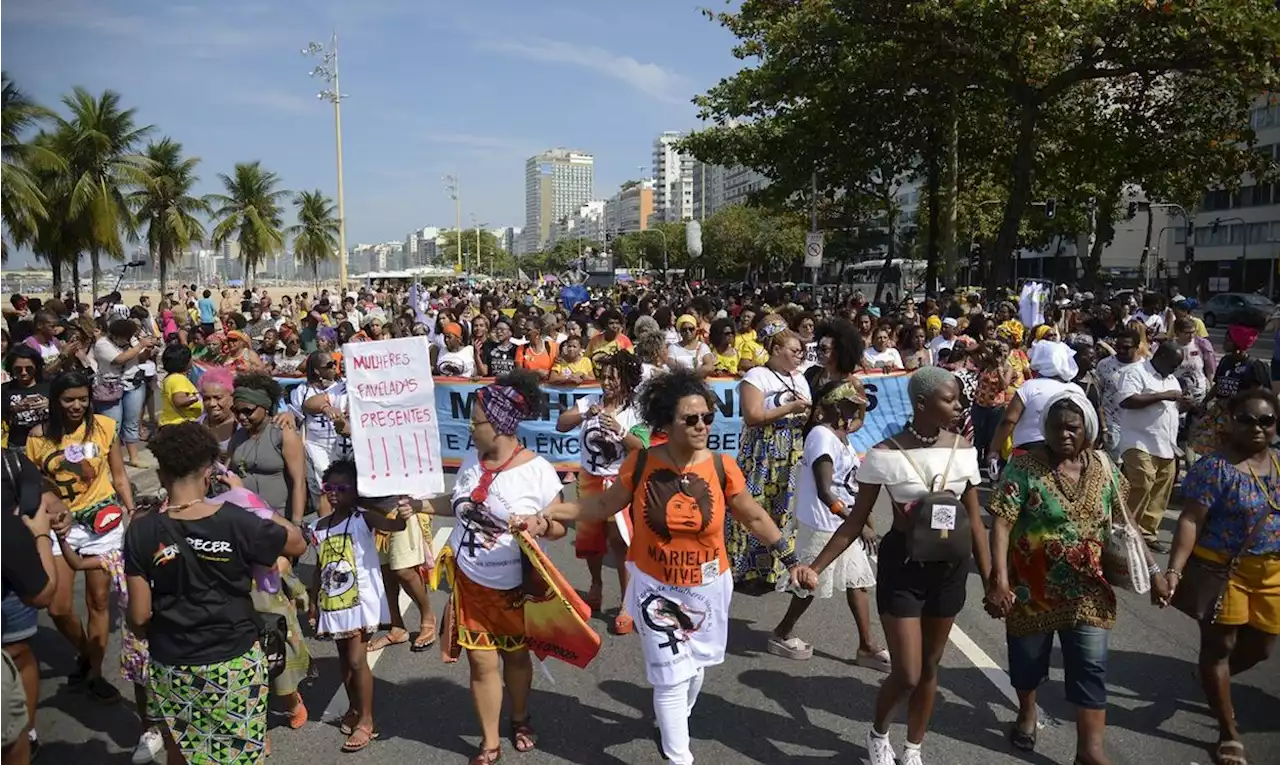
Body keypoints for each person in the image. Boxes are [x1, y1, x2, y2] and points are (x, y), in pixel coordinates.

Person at [534, 369, 798, 765]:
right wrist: (552, 511)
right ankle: (679, 756)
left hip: (708, 587)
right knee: (671, 677)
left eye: (707, 417)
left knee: (695, 669)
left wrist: (792, 559)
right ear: (666, 423)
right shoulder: (641, 464)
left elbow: (754, 517)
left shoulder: (723, 468)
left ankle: (674, 720)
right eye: (690, 419)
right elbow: (602, 506)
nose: (701, 426)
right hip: (655, 588)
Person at [791, 366, 993, 765]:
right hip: (902, 568)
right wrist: (815, 566)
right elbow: (853, 521)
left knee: (931, 667)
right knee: (907, 673)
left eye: (958, 399)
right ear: (922, 403)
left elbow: (975, 523)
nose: (958, 406)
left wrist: (992, 582)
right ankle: (878, 734)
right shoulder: (883, 455)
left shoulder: (966, 451)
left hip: (950, 570)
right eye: (949, 399)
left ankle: (913, 748)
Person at [988, 391, 1166, 765]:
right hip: (1031, 588)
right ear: (1044, 429)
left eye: (1072, 428)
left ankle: (1089, 750)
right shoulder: (1023, 467)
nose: (1064, 434)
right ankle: (1027, 711)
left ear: (1088, 429)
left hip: (1089, 589)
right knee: (1027, 663)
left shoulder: (1104, 468)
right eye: (1055, 427)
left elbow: (1126, 523)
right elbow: (1002, 524)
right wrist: (999, 580)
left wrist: (1154, 571)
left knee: (1091, 666)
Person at [123, 422, 306, 764]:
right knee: (238, 755)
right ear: (209, 472)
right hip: (232, 660)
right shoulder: (236, 519)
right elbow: (296, 540)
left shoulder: (140, 529)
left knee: (182, 750)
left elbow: (138, 616)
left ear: (161, 473)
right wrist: (250, 499)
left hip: (172, 662)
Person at [416, 371, 564, 764]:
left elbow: (562, 526)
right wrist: (421, 505)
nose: (470, 427)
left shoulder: (538, 472)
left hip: (514, 588)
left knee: (515, 657)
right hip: (470, 583)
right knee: (481, 663)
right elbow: (460, 502)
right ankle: (490, 741)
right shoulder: (470, 460)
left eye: (476, 421)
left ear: (499, 426)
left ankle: (519, 717)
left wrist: (540, 524)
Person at [1161, 389, 1280, 765]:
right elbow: (1191, 520)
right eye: (1246, 419)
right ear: (1230, 421)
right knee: (1220, 648)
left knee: (1261, 648)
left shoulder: (1279, 463)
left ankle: (1212, 676)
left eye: (1266, 421)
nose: (1257, 428)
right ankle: (1228, 733)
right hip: (1222, 570)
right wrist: (1174, 570)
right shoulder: (1214, 468)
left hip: (1272, 571)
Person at [27, 370, 134, 704]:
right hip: (60, 527)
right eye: (68, 400)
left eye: (82, 399)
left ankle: (95, 674)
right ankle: (87, 652)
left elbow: (119, 475)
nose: (76, 406)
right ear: (55, 401)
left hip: (103, 525)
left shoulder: (104, 427)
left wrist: (131, 511)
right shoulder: (37, 437)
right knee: (58, 607)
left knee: (99, 602)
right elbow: (34, 485)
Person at [770, 380, 888, 670]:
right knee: (810, 582)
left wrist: (860, 520)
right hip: (825, 523)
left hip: (842, 523)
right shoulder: (822, 436)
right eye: (850, 402)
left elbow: (850, 484)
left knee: (857, 582)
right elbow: (826, 491)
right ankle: (781, 632)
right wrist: (858, 524)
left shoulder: (841, 436)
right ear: (836, 407)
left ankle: (867, 646)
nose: (857, 407)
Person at [308, 459, 408, 752]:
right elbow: (318, 568)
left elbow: (395, 525)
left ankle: (366, 720)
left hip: (360, 601)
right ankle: (353, 707)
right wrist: (314, 604)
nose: (335, 493)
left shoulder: (363, 518)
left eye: (343, 487)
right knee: (344, 662)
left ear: (356, 490)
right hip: (333, 602)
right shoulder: (319, 527)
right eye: (330, 487)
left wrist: (403, 513)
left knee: (356, 660)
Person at [555, 351, 649, 634]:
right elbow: (561, 424)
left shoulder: (636, 410)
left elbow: (643, 448)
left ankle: (626, 603)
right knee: (590, 542)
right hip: (589, 480)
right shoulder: (590, 402)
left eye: (613, 377)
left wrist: (620, 430)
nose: (606, 382)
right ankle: (595, 585)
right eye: (604, 376)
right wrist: (585, 413)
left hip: (619, 483)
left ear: (627, 381)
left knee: (619, 542)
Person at [728, 322, 811, 588]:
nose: (800, 355)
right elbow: (753, 416)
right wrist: (788, 408)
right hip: (762, 450)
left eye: (801, 351)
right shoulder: (757, 376)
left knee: (782, 507)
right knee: (753, 505)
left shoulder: (798, 377)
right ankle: (743, 568)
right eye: (794, 350)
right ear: (776, 349)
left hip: (790, 449)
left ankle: (774, 569)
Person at [0, 455, 59, 765]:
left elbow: (35, 484)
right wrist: (40, 534)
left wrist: (52, 505)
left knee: (19, 654)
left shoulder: (10, 461)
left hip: (13, 581)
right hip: (24, 565)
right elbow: (45, 593)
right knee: (11, 744)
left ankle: (28, 729)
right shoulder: (8, 528)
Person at [1116, 342, 1190, 552]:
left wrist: (1183, 404)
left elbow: (1174, 409)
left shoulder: (1172, 380)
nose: (1176, 368)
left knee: (1161, 490)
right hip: (1139, 440)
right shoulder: (1136, 372)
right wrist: (1163, 395)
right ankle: (1125, 530)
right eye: (1174, 363)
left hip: (1166, 444)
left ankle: (1147, 533)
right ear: (1161, 356)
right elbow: (1127, 400)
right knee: (1143, 482)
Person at [988, 340, 1084, 474]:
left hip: (1027, 454)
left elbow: (1009, 420)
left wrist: (994, 449)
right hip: (1065, 459)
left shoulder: (1030, 386)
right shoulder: (1076, 390)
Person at [227, 373, 307, 526]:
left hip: (278, 518)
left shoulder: (283, 433)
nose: (241, 417)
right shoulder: (238, 437)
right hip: (244, 518)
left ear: (265, 407)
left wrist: (296, 524)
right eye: (236, 411)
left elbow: (299, 482)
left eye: (248, 411)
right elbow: (228, 472)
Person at [1191, 323, 1271, 457]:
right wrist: (1204, 403)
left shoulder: (1253, 366)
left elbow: (1256, 395)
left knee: (1234, 451)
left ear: (1237, 343)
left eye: (1227, 340)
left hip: (1238, 416)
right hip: (1219, 413)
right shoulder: (1225, 361)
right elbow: (1218, 385)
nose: (1224, 342)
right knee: (1203, 443)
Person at [290, 351, 351, 516]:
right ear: (317, 370)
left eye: (334, 363)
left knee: (345, 486)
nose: (334, 368)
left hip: (340, 444)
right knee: (325, 486)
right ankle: (327, 522)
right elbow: (298, 418)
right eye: (329, 365)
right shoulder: (302, 391)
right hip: (316, 445)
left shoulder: (343, 386)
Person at [92, 318, 155, 466]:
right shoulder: (102, 344)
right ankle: (111, 462)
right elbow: (118, 360)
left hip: (133, 384)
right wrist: (140, 345)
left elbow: (138, 358)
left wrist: (149, 350)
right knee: (112, 427)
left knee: (131, 422)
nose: (127, 339)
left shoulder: (132, 340)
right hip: (110, 388)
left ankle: (134, 457)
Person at [0, 347, 48, 451]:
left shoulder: (49, 386)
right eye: (18, 369)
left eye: (29, 369)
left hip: (45, 442)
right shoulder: (4, 389)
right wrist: (15, 409)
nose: (24, 373)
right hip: (17, 445)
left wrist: (51, 404)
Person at [158, 344, 202, 426]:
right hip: (179, 425)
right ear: (185, 362)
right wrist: (198, 397)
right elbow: (179, 401)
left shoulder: (170, 377)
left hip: (170, 423)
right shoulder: (178, 379)